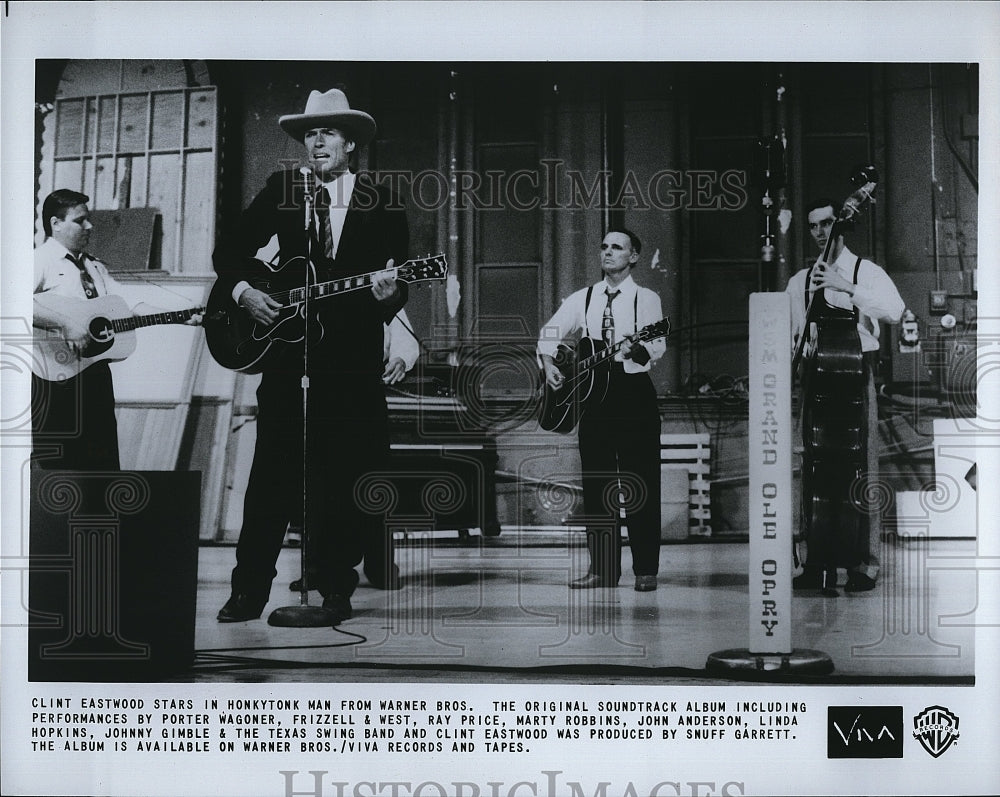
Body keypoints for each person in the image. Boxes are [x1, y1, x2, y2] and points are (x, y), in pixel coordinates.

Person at [213, 88, 409, 624]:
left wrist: (390, 292)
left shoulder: (383, 200)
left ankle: (333, 587)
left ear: (350, 143)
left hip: (350, 364)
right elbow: (228, 252)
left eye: (327, 132)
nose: (316, 141)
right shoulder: (283, 189)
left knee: (343, 476)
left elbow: (401, 287)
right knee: (270, 476)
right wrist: (244, 293)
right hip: (286, 357)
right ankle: (248, 590)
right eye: (309, 134)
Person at [32, 189, 200, 470]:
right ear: (55, 224)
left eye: (89, 220)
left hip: (95, 378)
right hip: (53, 381)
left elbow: (128, 305)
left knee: (103, 465)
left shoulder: (93, 266)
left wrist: (178, 316)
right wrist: (67, 324)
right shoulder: (40, 260)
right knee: (60, 475)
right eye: (80, 220)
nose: (90, 226)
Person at [786, 197, 904, 593]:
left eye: (827, 223)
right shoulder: (798, 280)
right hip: (815, 377)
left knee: (863, 464)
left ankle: (864, 563)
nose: (821, 231)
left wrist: (847, 287)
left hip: (856, 374)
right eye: (814, 225)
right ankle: (814, 560)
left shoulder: (864, 270)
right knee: (812, 465)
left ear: (841, 224)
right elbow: (793, 334)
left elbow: (894, 311)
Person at [537, 228, 666, 592]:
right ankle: (603, 569)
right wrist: (549, 365)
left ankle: (646, 569)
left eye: (617, 247)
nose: (608, 252)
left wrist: (635, 350)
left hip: (634, 397)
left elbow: (656, 346)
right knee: (597, 488)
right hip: (595, 401)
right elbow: (548, 334)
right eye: (605, 246)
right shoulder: (584, 298)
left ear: (634, 256)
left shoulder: (647, 299)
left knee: (641, 484)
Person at [287, 308, 420, 588]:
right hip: (321, 391)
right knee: (320, 484)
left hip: (365, 387)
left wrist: (400, 359)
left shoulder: (373, 281)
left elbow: (403, 333)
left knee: (373, 480)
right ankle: (316, 567)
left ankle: (379, 565)